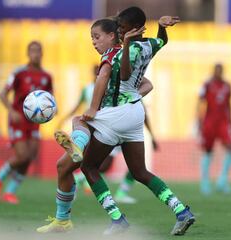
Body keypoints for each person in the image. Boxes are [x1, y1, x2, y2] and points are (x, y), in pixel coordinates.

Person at [55, 7, 194, 235]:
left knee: (86, 151)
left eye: (122, 28)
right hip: (135, 113)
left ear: (133, 29)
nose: (119, 32)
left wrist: (92, 108)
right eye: (118, 28)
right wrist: (161, 26)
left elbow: (124, 75)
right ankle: (181, 211)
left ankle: (116, 217)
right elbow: (161, 43)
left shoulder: (117, 53)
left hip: (117, 113)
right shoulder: (149, 45)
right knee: (140, 172)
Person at [36, 18, 154, 233]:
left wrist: (107, 105)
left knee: (80, 126)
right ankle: (63, 220)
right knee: (64, 167)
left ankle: (78, 148)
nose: (93, 41)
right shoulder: (115, 59)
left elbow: (116, 81)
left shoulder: (114, 57)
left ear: (112, 36)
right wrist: (130, 99)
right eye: (91, 38)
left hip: (107, 124)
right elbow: (147, 84)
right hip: (111, 122)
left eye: (96, 37)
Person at [58, 65, 159, 203]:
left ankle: (78, 169)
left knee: (101, 165)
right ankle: (79, 178)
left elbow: (144, 98)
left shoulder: (123, 87)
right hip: (107, 127)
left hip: (108, 126)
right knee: (101, 165)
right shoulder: (96, 89)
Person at [0, 41, 54, 204]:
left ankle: (10, 191)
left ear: (42, 53)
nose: (35, 54)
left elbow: (50, 99)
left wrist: (52, 111)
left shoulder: (46, 77)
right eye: (32, 51)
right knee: (22, 156)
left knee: (30, 156)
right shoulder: (19, 73)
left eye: (38, 51)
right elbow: (3, 94)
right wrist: (11, 111)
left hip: (34, 122)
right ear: (28, 53)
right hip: (17, 120)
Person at [197, 63, 231, 195]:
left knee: (230, 147)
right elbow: (200, 102)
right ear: (213, 71)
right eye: (216, 70)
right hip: (209, 122)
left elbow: (229, 105)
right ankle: (205, 182)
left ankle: (222, 180)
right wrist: (199, 121)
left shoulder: (227, 86)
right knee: (208, 151)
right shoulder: (206, 85)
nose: (218, 73)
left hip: (223, 122)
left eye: (220, 70)